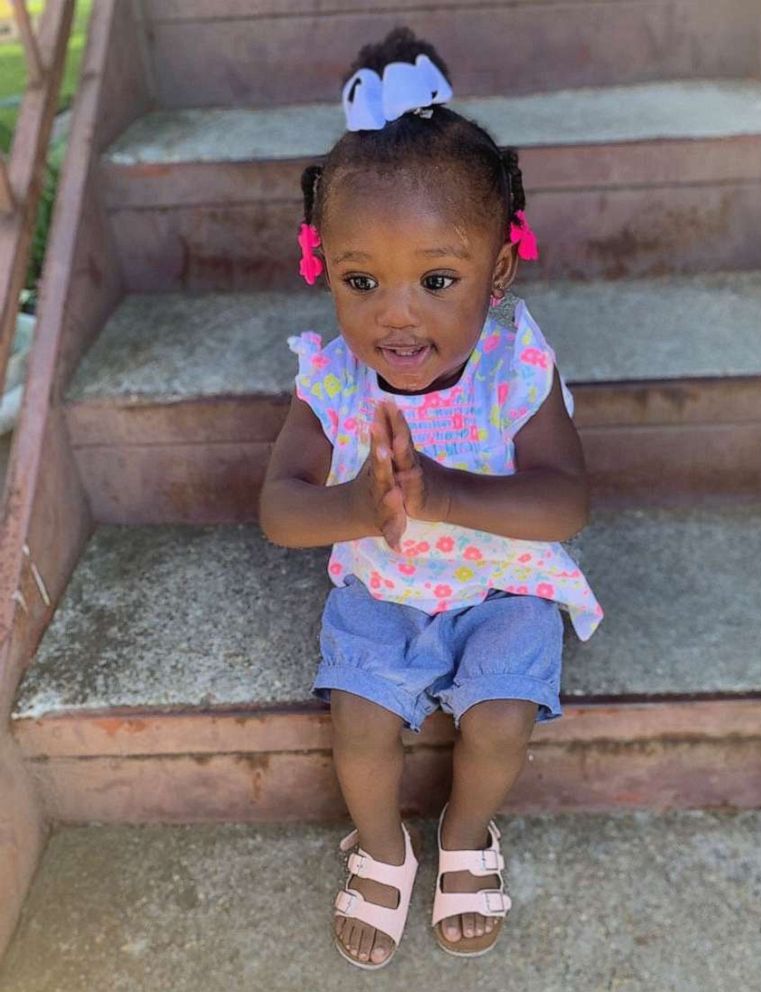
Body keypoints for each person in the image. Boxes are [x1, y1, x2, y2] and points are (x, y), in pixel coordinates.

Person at [260, 26, 603, 970]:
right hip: (381, 588)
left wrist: (444, 490)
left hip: (505, 584)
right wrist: (361, 513)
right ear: (320, 265)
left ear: (496, 273)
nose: (395, 312)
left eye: (435, 278)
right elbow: (281, 509)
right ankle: (379, 846)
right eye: (359, 280)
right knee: (359, 726)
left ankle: (464, 833)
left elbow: (564, 502)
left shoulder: (514, 364)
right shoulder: (330, 379)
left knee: (499, 721)